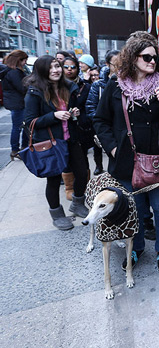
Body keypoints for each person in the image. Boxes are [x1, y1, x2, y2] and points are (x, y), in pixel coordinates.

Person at [94, 31, 159, 272]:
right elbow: (100, 120)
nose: (153, 62)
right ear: (132, 58)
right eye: (147, 57)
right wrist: (114, 148)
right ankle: (136, 248)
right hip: (127, 161)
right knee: (134, 208)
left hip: (158, 159)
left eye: (155, 58)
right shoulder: (115, 85)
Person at [23, 55, 90, 230]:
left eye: (57, 66)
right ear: (41, 71)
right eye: (51, 67)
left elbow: (68, 112)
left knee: (82, 173)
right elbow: (31, 121)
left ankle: (77, 203)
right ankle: (57, 214)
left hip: (71, 138)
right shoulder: (34, 92)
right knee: (53, 180)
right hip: (50, 143)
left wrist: (72, 113)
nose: (56, 70)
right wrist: (54, 116)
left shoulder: (66, 87)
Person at [61, 56, 94, 200]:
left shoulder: (84, 86)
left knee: (82, 158)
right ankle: (69, 187)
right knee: (67, 159)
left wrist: (82, 116)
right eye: (66, 67)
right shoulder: (56, 86)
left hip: (81, 128)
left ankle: (85, 187)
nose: (69, 70)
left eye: (73, 67)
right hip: (63, 129)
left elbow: (89, 105)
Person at [87, 50, 119, 175]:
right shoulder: (98, 85)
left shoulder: (127, 83)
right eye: (116, 64)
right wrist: (102, 123)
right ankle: (99, 166)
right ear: (108, 64)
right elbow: (90, 107)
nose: (119, 67)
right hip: (103, 127)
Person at [1, 50, 29, 160]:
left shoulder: (10, 71)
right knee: (19, 127)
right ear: (18, 60)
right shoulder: (14, 72)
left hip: (16, 102)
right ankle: (17, 150)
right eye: (24, 60)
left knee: (19, 126)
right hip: (18, 103)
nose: (25, 62)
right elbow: (22, 88)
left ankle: (19, 149)